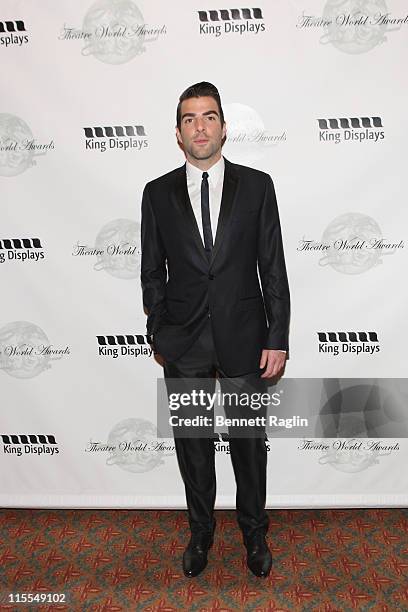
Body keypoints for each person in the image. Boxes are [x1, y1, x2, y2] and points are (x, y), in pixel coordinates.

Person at [141, 82, 290, 578]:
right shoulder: (157, 194)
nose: (199, 126)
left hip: (245, 340)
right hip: (183, 345)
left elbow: (273, 267)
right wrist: (158, 330)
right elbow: (151, 270)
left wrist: (278, 336)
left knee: (249, 445)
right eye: (189, 119)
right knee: (193, 447)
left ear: (224, 127)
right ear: (178, 133)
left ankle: (254, 532)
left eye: (208, 117)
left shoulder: (258, 185)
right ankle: (200, 532)